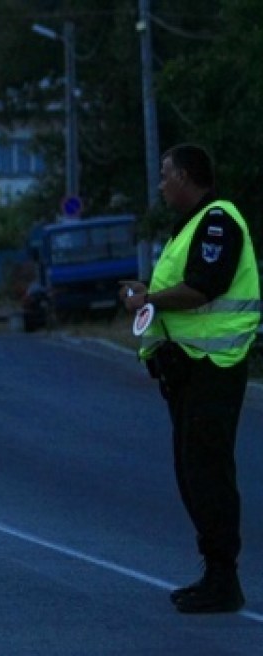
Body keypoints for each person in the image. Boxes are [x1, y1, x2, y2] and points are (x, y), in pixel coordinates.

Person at [119, 143, 260, 613]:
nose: (161, 184)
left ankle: (224, 579)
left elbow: (203, 287)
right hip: (189, 368)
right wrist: (150, 294)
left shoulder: (218, 220)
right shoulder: (190, 226)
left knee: (207, 472)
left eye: (165, 174)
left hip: (213, 366)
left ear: (185, 177)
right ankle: (214, 573)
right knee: (191, 471)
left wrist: (150, 300)